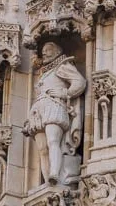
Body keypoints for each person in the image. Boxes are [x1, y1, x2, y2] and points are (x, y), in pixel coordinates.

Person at [24, 41, 87, 187]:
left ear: (57, 52)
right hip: (39, 110)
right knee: (42, 148)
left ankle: (55, 174)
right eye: (43, 50)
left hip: (54, 106)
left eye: (48, 50)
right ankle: (47, 182)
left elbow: (80, 82)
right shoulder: (44, 73)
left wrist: (65, 93)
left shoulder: (62, 66)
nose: (44, 53)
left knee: (53, 141)